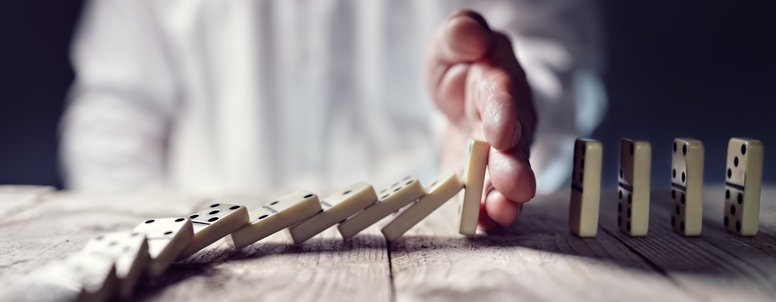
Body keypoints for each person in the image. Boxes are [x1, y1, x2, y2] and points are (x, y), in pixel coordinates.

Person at [60, 0, 605, 230]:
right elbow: (113, 116)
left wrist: (511, 119)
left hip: (433, 251)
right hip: (200, 261)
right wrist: (161, 252)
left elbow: (554, 56)